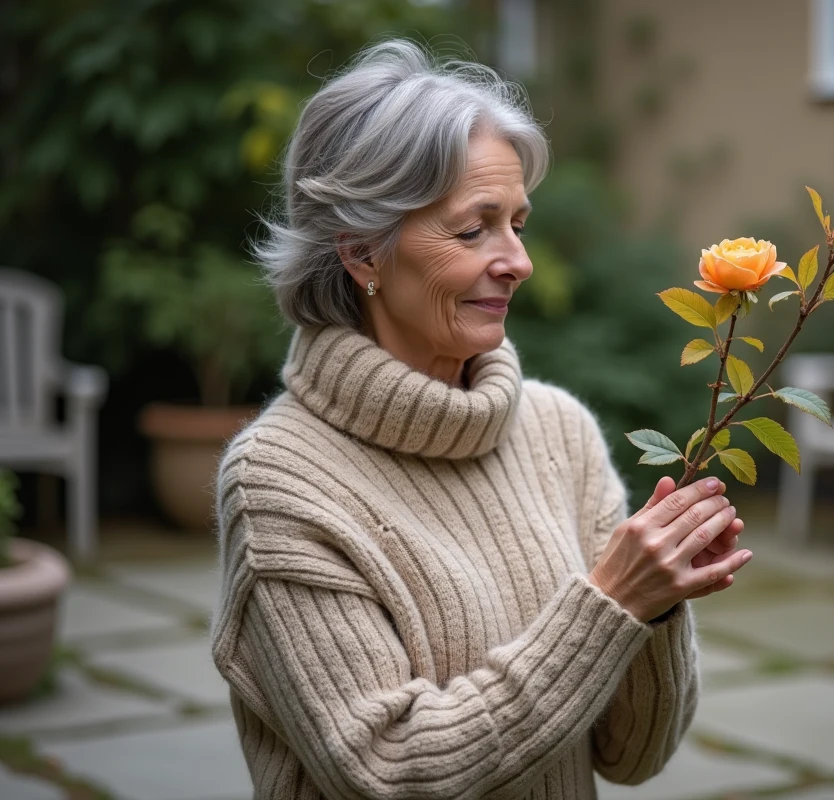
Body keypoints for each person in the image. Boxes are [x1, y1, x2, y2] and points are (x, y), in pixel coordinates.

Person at [210, 39, 752, 800]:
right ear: (364, 253)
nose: (518, 260)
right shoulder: (277, 484)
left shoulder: (558, 431)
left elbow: (631, 757)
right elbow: (387, 768)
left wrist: (655, 606)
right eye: (475, 229)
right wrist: (611, 604)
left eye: (518, 223)